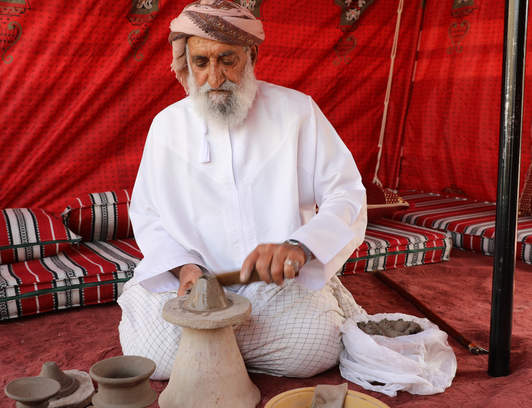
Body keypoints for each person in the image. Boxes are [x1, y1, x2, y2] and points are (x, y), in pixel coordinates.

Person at [118, 0, 367, 380]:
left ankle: (215, 354)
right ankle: (235, 347)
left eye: (227, 59)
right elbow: (148, 213)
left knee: (312, 350)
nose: (214, 77)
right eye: (201, 63)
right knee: (153, 358)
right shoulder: (166, 126)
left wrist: (301, 246)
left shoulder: (297, 112)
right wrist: (185, 266)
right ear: (187, 64)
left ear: (251, 54)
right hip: (193, 286)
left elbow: (346, 194)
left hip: (275, 287)